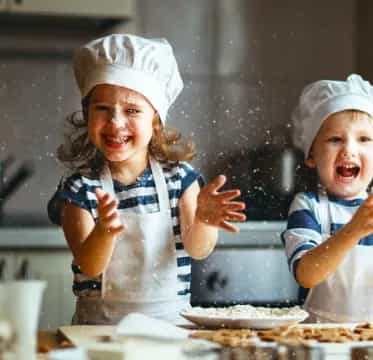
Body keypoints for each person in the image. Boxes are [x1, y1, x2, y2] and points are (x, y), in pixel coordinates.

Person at [47, 34, 246, 325]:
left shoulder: (181, 179)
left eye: (132, 110)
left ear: (155, 121)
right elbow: (89, 265)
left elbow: (198, 249)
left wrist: (203, 221)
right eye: (102, 108)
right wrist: (104, 231)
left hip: (171, 328)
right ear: (86, 114)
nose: (115, 122)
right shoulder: (80, 189)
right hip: (100, 331)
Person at [283, 74, 373, 323]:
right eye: (335, 139)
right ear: (311, 154)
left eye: (364, 139)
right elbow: (306, 274)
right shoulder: (308, 206)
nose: (349, 149)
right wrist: (352, 231)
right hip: (317, 340)